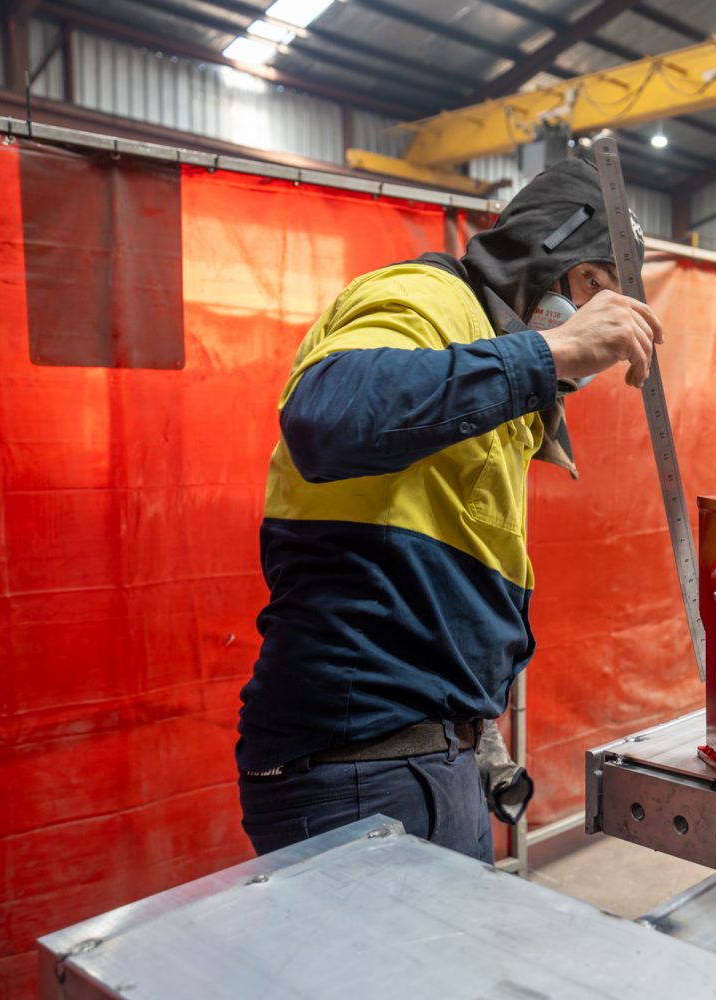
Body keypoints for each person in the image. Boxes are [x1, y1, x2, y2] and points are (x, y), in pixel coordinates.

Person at [235, 156, 661, 862]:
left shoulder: (498, 385)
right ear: (548, 256)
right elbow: (329, 415)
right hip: (362, 767)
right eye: (593, 288)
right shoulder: (428, 297)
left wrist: (473, 726)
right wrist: (549, 353)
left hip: (424, 758)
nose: (596, 326)